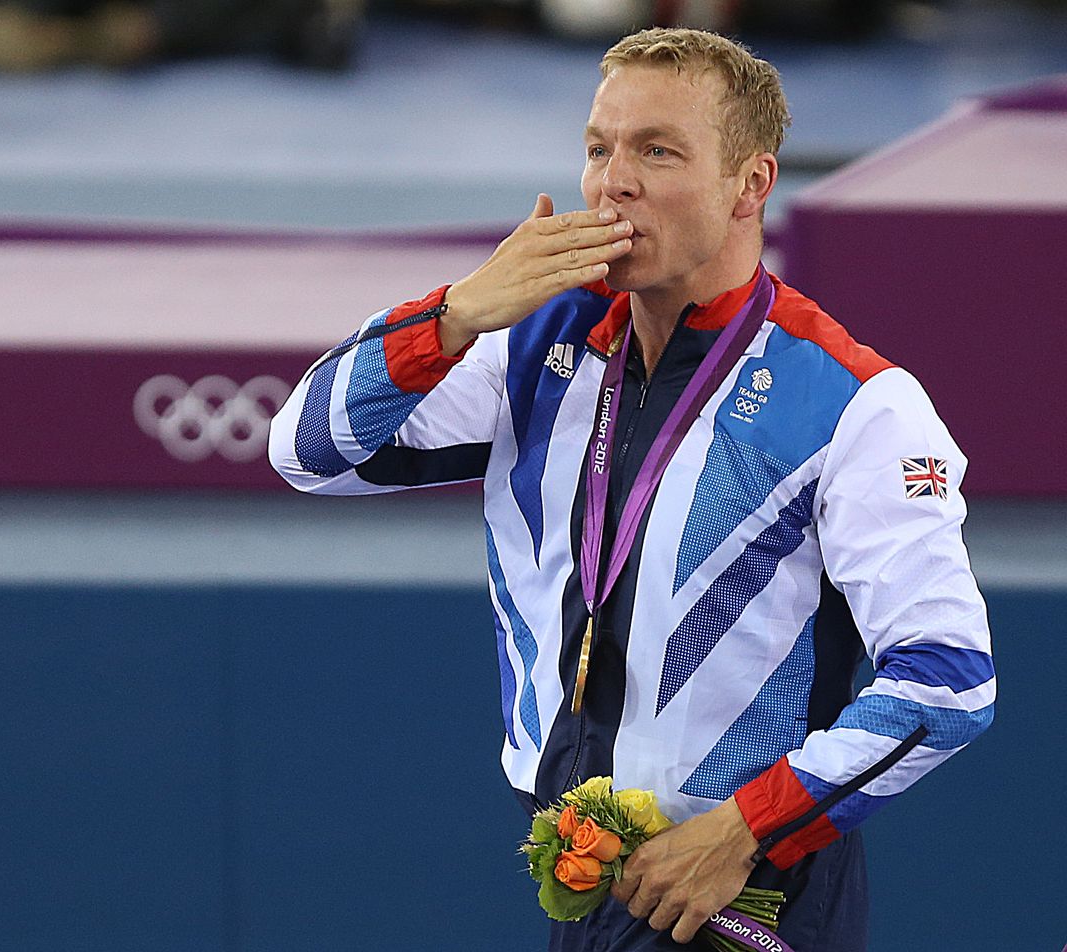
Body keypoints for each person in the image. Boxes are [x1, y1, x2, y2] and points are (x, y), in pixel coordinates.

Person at [268, 27, 993, 952]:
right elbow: (307, 450)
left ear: (752, 183)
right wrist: (451, 319)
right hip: (587, 873)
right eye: (598, 148)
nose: (616, 181)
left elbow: (947, 681)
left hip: (744, 893)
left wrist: (746, 831)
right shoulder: (533, 347)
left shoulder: (856, 403)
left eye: (658, 151)